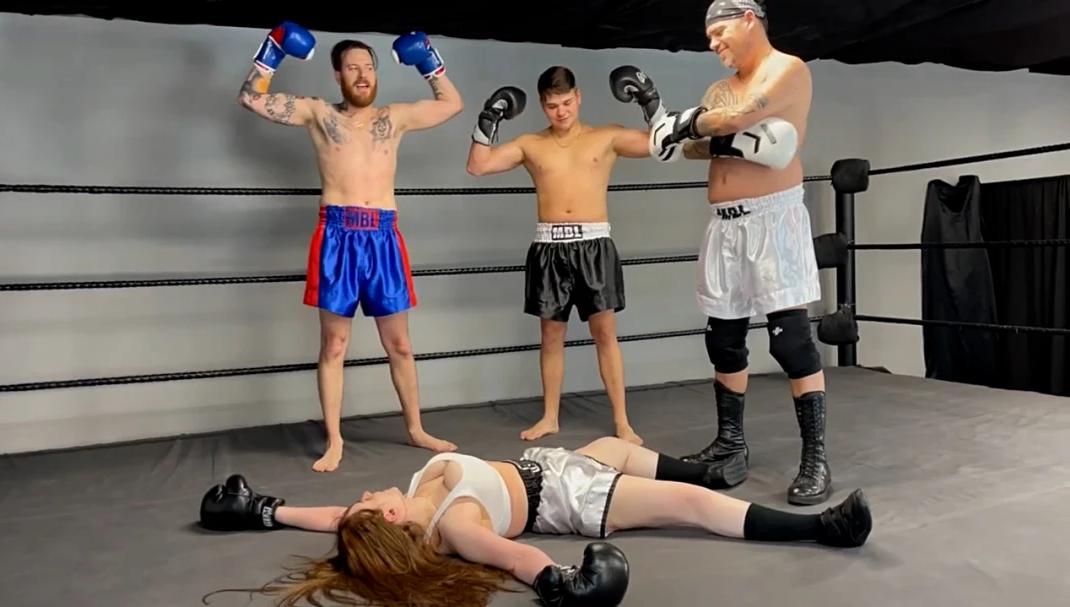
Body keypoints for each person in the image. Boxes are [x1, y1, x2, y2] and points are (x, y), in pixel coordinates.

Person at [198, 437, 873, 607]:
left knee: (616, 445)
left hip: (545, 464)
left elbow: (335, 517)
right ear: (394, 516)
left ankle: (705, 469)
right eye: (372, 499)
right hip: (567, 498)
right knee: (687, 508)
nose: (367, 492)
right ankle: (819, 528)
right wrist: (560, 579)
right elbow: (514, 557)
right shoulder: (457, 526)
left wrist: (264, 509)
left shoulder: (392, 512)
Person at [613, 0, 831, 505]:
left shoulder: (788, 70)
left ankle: (815, 458)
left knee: (791, 342)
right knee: (723, 339)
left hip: (774, 219)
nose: (713, 44)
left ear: (749, 20)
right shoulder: (717, 89)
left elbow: (737, 117)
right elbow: (695, 144)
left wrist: (690, 123)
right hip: (725, 226)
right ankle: (731, 445)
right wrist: (705, 133)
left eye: (720, 33)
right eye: (709, 36)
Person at [236, 23, 463, 472]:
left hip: (383, 236)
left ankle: (416, 429)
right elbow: (250, 97)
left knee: (400, 344)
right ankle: (335, 440)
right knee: (334, 345)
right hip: (337, 236)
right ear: (337, 75)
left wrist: (428, 61)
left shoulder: (394, 118)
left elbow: (452, 104)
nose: (362, 74)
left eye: (368, 67)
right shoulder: (318, 113)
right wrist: (273, 48)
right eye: (353, 68)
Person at [464, 66, 663, 445]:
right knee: (551, 336)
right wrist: (488, 118)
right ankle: (550, 417)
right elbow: (478, 165)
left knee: (605, 334)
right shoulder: (530, 144)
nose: (562, 111)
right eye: (553, 105)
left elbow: (660, 144)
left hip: (594, 245)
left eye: (567, 102)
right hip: (549, 247)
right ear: (543, 105)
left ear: (579, 97)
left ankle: (622, 421)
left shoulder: (606, 137)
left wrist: (649, 100)